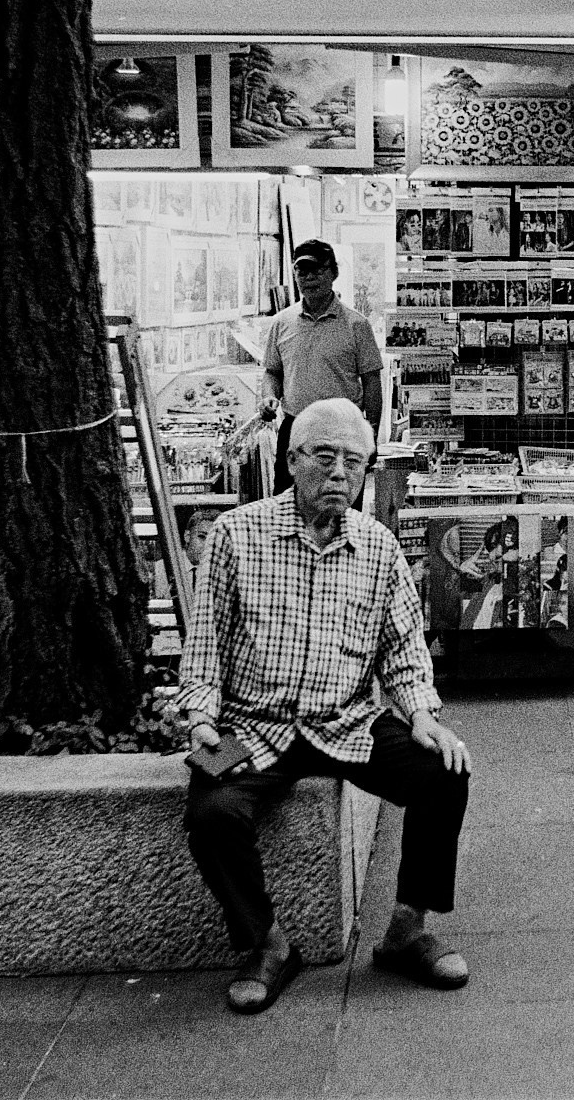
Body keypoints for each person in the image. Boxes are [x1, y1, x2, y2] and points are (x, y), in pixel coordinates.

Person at [177, 399, 474, 1012]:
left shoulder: (379, 547)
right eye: (325, 457)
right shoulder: (237, 536)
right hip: (257, 727)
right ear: (292, 461)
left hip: (346, 722)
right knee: (213, 815)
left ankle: (405, 930)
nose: (339, 474)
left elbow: (403, 650)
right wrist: (203, 720)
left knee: (444, 775)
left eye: (354, 462)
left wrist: (421, 715)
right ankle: (267, 944)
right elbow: (204, 645)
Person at [260, 240, 384, 494]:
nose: (309, 278)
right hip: (295, 430)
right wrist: (269, 397)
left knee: (341, 506)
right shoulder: (281, 323)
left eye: (317, 270)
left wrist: (369, 436)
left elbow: (372, 383)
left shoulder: (356, 325)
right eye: (301, 271)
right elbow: (273, 372)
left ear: (334, 273)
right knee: (287, 505)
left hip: (343, 431)